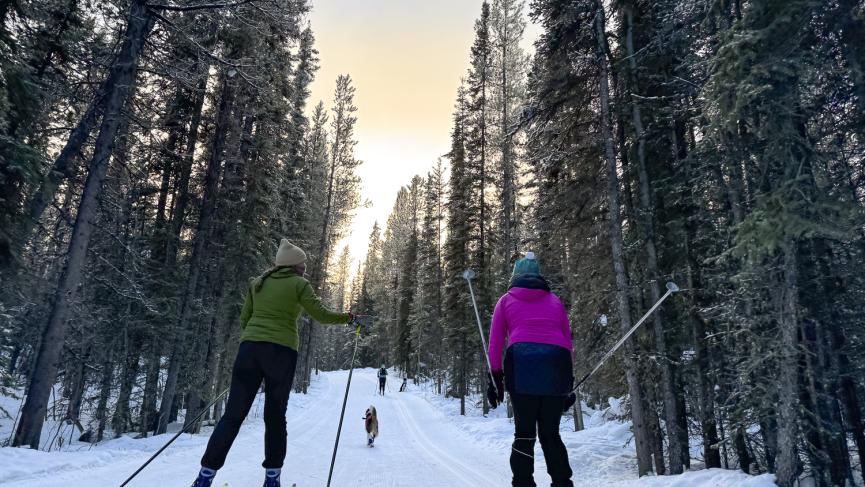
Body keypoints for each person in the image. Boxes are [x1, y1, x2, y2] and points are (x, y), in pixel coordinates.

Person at [191, 239, 359, 487]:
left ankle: (205, 477)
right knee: (275, 416)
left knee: (232, 416)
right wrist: (348, 318)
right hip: (281, 352)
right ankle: (272, 479)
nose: (304, 268)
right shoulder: (300, 285)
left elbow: (245, 318)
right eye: (302, 264)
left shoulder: (257, 283)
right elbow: (320, 314)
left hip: (249, 351)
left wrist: (254, 344)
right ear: (293, 265)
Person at [487, 252, 576, 487]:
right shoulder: (555, 301)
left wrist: (495, 378)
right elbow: (567, 342)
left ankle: (523, 483)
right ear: (539, 276)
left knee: (524, 435)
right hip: (556, 365)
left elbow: (496, 343)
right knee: (550, 434)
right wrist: (567, 384)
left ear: (515, 277)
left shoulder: (505, 300)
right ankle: (562, 483)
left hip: (522, 365)